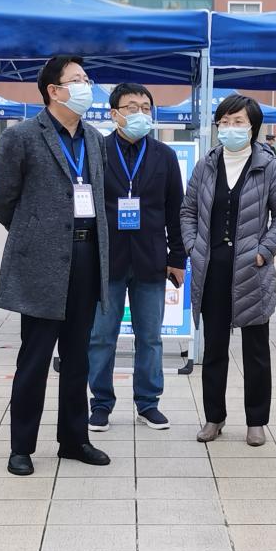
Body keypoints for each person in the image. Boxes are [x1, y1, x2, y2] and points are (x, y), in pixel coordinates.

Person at [0, 55, 111, 476]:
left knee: (78, 358)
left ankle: (74, 439)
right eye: (77, 80)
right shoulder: (22, 136)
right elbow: (1, 199)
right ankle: (21, 446)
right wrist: (34, 232)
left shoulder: (94, 138)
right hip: (41, 262)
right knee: (35, 357)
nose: (86, 86)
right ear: (54, 91)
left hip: (87, 257)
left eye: (87, 79)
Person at [180, 95, 276, 446]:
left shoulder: (267, 166)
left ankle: (256, 421)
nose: (230, 128)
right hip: (211, 267)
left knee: (256, 350)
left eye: (238, 121)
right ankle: (214, 417)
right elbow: (187, 211)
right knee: (214, 348)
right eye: (225, 122)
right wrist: (192, 246)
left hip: (251, 269)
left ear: (252, 127)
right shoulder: (206, 165)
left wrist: (264, 251)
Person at [87, 83, 185, 432]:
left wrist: (178, 258)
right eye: (132, 108)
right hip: (105, 260)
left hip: (151, 260)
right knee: (101, 336)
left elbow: (176, 210)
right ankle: (100, 403)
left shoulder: (164, 156)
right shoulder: (96, 151)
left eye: (146, 108)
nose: (140, 114)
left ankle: (148, 402)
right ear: (114, 114)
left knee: (150, 337)